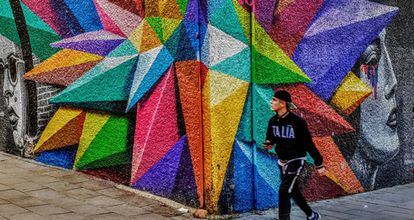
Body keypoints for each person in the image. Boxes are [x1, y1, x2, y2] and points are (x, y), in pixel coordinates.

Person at [263, 90, 326, 220]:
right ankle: (311, 215)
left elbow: (308, 143)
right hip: (282, 162)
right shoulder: (273, 121)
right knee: (294, 191)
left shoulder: (298, 122)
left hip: (296, 160)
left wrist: (319, 163)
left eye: (274, 99)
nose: (271, 101)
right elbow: (271, 138)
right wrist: (269, 143)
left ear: (283, 103)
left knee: (284, 190)